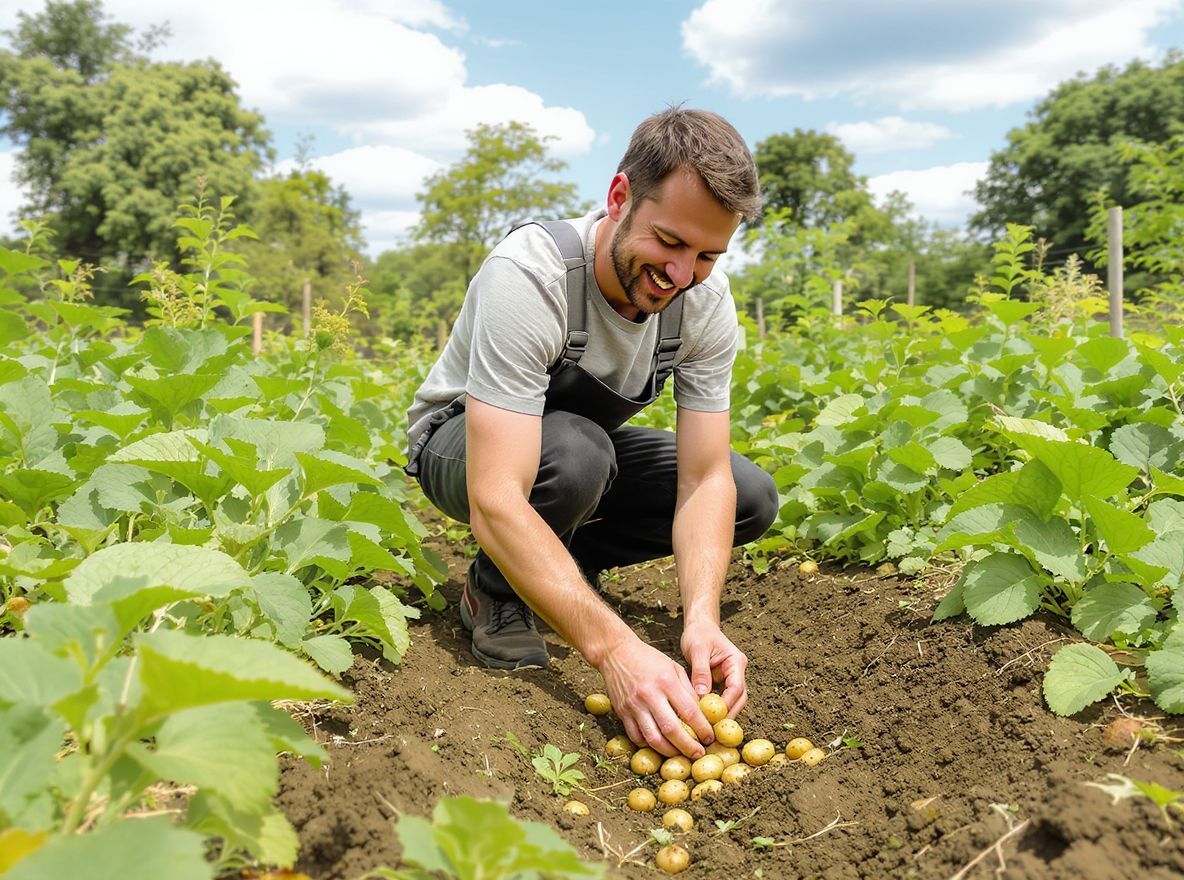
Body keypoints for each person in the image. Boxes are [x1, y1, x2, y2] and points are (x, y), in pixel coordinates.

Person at [404, 107, 778, 759]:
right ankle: (493, 594)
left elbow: (704, 477)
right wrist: (615, 649)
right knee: (577, 454)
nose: (683, 274)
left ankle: (565, 564)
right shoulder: (534, 276)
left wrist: (701, 617)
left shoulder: (705, 308)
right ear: (618, 198)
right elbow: (496, 498)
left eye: (708, 255)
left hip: (573, 452)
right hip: (461, 444)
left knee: (747, 495)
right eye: (669, 241)